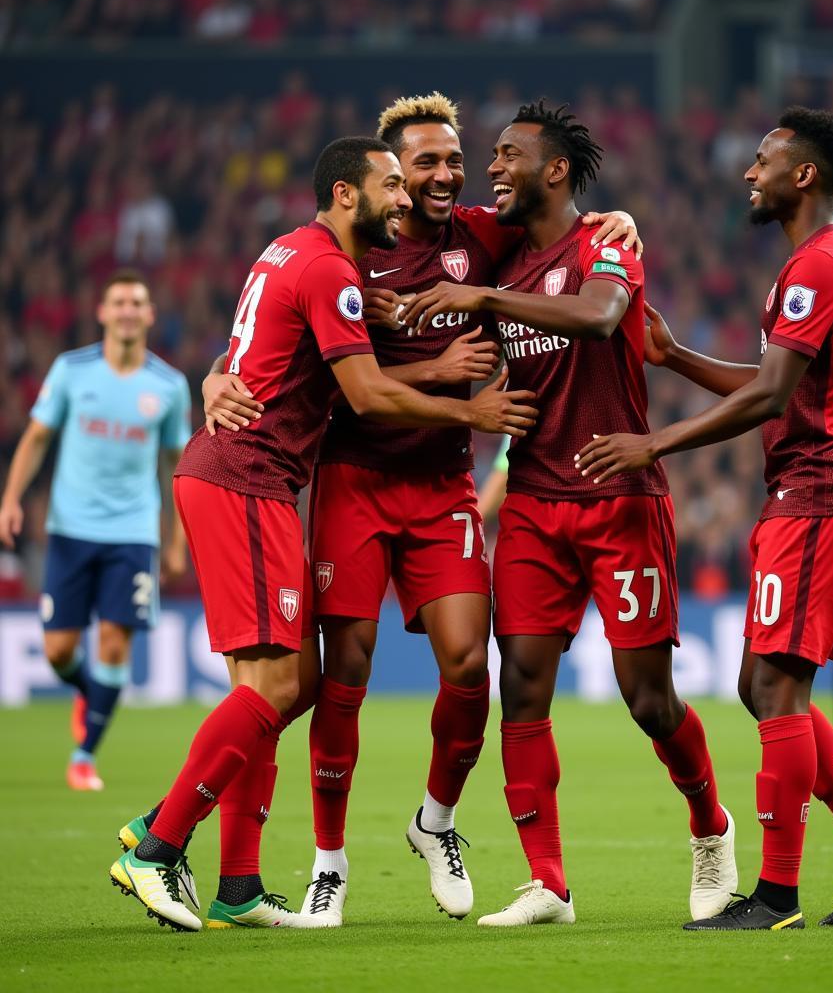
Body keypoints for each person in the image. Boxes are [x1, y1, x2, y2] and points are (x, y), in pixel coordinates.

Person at [206, 92, 642, 927]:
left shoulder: (482, 233)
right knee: (348, 671)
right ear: (388, 178)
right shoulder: (345, 252)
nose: (446, 176)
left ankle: (434, 819)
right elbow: (272, 349)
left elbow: (566, 221)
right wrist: (214, 374)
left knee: (469, 665)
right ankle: (328, 864)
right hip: (352, 479)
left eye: (454, 159)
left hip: (442, 484)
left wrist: (617, 219)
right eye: (425, 164)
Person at [108, 135, 537, 933]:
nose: (404, 201)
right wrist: (468, 406)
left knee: (283, 686)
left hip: (244, 477)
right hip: (249, 478)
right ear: (347, 193)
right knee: (278, 687)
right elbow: (366, 395)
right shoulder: (331, 269)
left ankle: (236, 883)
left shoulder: (286, 251)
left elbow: (260, 353)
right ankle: (157, 848)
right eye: (390, 188)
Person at [575, 107, 833, 930]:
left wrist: (651, 443)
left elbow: (769, 396)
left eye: (763, 161)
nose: (747, 173)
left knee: (775, 686)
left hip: (824, 490)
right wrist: (676, 358)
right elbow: (782, 384)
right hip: (823, 487)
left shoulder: (817, 267)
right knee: (760, 687)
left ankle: (776, 896)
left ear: (803, 175)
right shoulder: (824, 260)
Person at [401, 100, 736, 929]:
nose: (492, 168)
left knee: (649, 700)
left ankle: (711, 829)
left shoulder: (606, 244)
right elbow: (389, 249)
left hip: (621, 504)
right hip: (535, 505)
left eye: (508, 155)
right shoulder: (505, 253)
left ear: (555, 170)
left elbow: (599, 316)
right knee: (520, 686)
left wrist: (482, 295)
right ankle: (548, 883)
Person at [0, 268, 191, 792]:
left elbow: (177, 466)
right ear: (103, 313)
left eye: (137, 302)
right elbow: (37, 438)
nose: (128, 310)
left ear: (150, 315)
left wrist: (176, 540)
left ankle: (84, 755)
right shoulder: (71, 371)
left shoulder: (168, 387)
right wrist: (12, 499)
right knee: (60, 650)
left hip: (132, 535)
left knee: (113, 643)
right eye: (119, 302)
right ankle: (91, 691)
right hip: (70, 529)